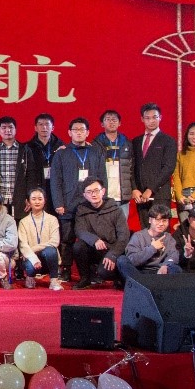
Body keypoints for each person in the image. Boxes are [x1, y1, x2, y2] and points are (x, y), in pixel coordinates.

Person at [49, 117, 106, 283]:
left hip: (91, 204)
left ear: (88, 132)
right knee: (66, 238)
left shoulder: (96, 152)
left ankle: (92, 271)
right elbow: (55, 180)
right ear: (69, 132)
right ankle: (66, 269)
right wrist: (58, 202)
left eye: (82, 130)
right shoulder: (61, 153)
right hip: (68, 203)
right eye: (75, 130)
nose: (79, 132)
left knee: (92, 237)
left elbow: (103, 178)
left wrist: (101, 200)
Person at [70, 178, 129, 289]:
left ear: (103, 191)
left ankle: (118, 277)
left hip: (111, 249)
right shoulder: (81, 210)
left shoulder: (116, 210)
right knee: (78, 246)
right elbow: (80, 231)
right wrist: (94, 240)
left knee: (104, 273)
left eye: (96, 190)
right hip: (93, 248)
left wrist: (113, 255)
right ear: (84, 195)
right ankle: (85, 279)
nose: (93, 194)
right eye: (89, 192)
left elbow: (124, 236)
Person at [131, 103, 177, 224]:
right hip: (141, 196)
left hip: (160, 195)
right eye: (147, 118)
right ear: (142, 119)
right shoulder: (136, 141)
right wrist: (134, 189)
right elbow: (131, 167)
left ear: (160, 117)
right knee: (145, 229)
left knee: (161, 228)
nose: (151, 121)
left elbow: (168, 168)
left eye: (154, 117)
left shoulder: (168, 141)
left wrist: (151, 189)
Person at [118, 206, 182, 283]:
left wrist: (166, 265)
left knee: (176, 268)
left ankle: (162, 285)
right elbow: (132, 260)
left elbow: (173, 255)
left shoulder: (168, 238)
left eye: (164, 221)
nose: (161, 224)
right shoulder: (138, 236)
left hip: (159, 272)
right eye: (157, 220)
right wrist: (152, 248)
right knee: (122, 260)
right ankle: (139, 284)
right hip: (139, 272)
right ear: (150, 220)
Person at [93, 109, 135, 224]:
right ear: (102, 124)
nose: (111, 122)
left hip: (122, 194)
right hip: (104, 194)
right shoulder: (96, 144)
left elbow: (132, 168)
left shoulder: (127, 143)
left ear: (119, 123)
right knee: (104, 226)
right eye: (108, 119)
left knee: (122, 226)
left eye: (114, 120)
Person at [0, 115, 38, 216]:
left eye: (10, 127)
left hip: (20, 199)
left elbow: (31, 176)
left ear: (15, 130)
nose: (7, 130)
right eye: (4, 128)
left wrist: (30, 197)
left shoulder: (25, 150)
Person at [17, 187, 63, 290]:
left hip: (48, 258)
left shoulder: (52, 219)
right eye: (33, 199)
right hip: (31, 258)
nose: (37, 202)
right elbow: (23, 245)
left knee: (51, 250)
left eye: (40, 199)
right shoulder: (23, 222)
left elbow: (55, 242)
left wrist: (34, 248)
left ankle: (54, 281)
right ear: (28, 202)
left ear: (45, 200)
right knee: (29, 261)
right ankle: (30, 277)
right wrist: (33, 258)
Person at [25, 113, 63, 202]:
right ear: (35, 128)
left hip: (56, 189)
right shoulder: (28, 147)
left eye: (47, 124)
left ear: (52, 127)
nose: (44, 127)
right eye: (40, 124)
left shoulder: (61, 146)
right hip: (36, 189)